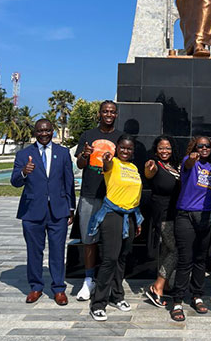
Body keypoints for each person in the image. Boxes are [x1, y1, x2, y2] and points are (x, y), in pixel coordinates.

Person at [10, 118, 75, 305]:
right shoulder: (24, 155)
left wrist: (71, 208)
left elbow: (68, 182)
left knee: (57, 250)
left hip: (58, 211)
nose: (44, 134)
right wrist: (23, 172)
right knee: (34, 251)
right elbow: (15, 181)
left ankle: (58, 289)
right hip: (32, 211)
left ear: (52, 131)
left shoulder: (62, 153)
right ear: (35, 132)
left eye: (47, 130)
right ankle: (36, 287)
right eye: (40, 131)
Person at [88, 134, 143, 321]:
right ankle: (98, 303)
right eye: (123, 147)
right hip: (112, 215)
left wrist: (137, 220)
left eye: (129, 148)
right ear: (116, 148)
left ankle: (117, 296)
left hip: (130, 216)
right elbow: (106, 166)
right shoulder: (113, 163)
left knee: (121, 258)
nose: (125, 151)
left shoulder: (134, 168)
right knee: (109, 259)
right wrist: (106, 160)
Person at [75, 100, 123, 301]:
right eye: (105, 111)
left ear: (116, 114)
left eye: (112, 111)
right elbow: (80, 163)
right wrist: (85, 155)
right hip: (90, 194)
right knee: (89, 240)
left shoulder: (121, 138)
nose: (108, 114)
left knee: (112, 243)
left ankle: (110, 282)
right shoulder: (88, 136)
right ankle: (88, 280)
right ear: (99, 114)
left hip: (113, 196)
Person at [170, 136, 211, 322]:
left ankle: (197, 295)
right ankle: (177, 301)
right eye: (200, 146)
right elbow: (188, 163)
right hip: (186, 215)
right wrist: (192, 157)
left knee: (200, 259)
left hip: (206, 216)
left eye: (207, 146)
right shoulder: (189, 162)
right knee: (185, 259)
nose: (204, 148)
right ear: (194, 147)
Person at [144, 135, 181, 308]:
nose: (164, 151)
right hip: (162, 213)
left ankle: (165, 284)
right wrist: (149, 167)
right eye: (161, 148)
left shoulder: (174, 166)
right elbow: (148, 172)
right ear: (156, 149)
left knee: (167, 249)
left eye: (167, 148)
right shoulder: (154, 164)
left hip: (175, 212)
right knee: (175, 251)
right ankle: (157, 287)